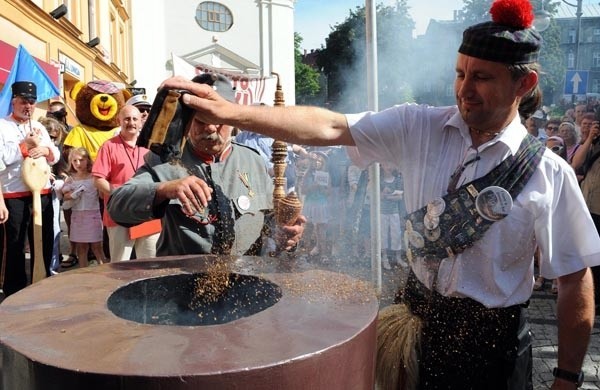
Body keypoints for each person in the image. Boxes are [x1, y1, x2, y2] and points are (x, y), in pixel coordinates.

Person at [156, 0, 600, 388]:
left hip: (496, 348)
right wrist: (232, 112)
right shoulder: (417, 125)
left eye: (482, 78)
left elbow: (573, 280)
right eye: (460, 73)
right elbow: (330, 126)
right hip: (416, 334)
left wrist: (566, 377)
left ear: (523, 84)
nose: (465, 90)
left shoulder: (549, 173)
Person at [107, 73, 304, 258]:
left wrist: (284, 232)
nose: (210, 128)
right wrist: (164, 190)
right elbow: (117, 206)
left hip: (246, 282)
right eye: (201, 121)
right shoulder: (164, 160)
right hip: (183, 283)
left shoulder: (253, 161)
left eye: (218, 120)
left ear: (232, 119)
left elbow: (269, 219)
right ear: (187, 120)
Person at [0, 81, 60, 295]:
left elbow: (56, 155)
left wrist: (44, 149)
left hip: (41, 192)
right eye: (24, 101)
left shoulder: (40, 126)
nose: (28, 106)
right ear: (13, 101)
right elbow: (2, 159)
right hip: (14, 194)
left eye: (32, 102)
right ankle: (13, 290)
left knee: (43, 240)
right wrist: (25, 145)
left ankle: (40, 283)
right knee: (15, 245)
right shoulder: (2, 126)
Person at [92, 105, 159, 261]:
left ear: (141, 122)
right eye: (127, 119)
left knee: (150, 264)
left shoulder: (151, 146)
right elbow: (97, 180)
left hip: (147, 214)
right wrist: (119, 193)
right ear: (119, 121)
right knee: (120, 265)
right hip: (119, 214)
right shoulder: (109, 146)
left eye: (135, 119)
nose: (131, 122)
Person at [61, 147, 107, 267]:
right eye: (74, 161)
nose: (78, 164)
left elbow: (102, 196)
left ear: (88, 160)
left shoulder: (94, 177)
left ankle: (105, 273)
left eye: (81, 160)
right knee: (81, 248)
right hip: (78, 217)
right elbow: (65, 196)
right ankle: (83, 274)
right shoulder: (70, 179)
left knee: (97, 247)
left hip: (92, 215)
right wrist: (73, 194)